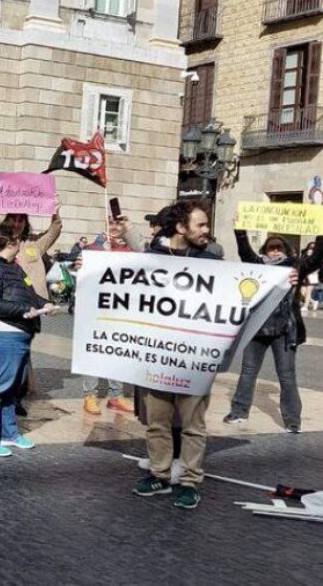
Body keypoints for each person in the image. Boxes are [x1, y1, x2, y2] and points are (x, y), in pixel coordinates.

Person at [131, 201, 229, 510]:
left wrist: (283, 282)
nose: (206, 230)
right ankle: (159, 474)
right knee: (157, 423)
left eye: (206, 225)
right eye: (200, 225)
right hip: (159, 356)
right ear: (181, 228)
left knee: (193, 426)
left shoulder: (211, 260)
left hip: (196, 359)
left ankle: (188, 481)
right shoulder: (152, 259)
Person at [225, 228, 323, 433]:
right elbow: (245, 252)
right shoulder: (258, 265)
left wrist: (321, 234)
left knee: (287, 376)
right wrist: (240, 230)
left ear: (285, 249)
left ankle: (292, 420)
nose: (276, 251)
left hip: (285, 331)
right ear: (265, 251)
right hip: (258, 329)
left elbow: (316, 259)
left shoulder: (295, 266)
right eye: (272, 248)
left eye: (279, 247)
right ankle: (239, 411)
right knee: (248, 372)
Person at [0, 203, 63, 415]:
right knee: (6, 355)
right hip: (5, 307)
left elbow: (55, 229)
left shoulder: (34, 244)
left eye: (21, 220)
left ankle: (16, 397)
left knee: (22, 354)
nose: (16, 223)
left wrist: (54, 209)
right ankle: (5, 397)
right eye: (13, 219)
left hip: (32, 305)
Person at [0, 225, 50, 457]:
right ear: (11, 243)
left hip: (18, 334)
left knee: (10, 388)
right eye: (19, 240)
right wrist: (23, 309)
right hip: (1, 334)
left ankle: (8, 433)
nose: (22, 244)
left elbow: (28, 292)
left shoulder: (14, 268)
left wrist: (42, 303)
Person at [82, 216, 136, 415]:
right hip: (95, 309)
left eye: (118, 224)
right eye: (111, 223)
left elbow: (142, 255)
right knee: (93, 352)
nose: (114, 227)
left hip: (119, 310)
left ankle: (116, 395)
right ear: (105, 225)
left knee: (117, 351)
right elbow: (80, 271)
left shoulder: (127, 251)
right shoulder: (91, 249)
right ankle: (90, 395)